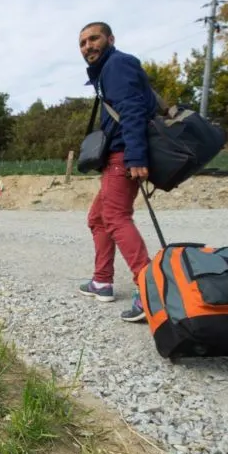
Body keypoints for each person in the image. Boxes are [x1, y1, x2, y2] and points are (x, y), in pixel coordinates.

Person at [75, 22, 158, 323]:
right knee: (98, 218)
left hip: (123, 154)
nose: (88, 46)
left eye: (93, 39)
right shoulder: (107, 71)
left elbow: (133, 108)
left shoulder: (118, 64)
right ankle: (102, 281)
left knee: (115, 218)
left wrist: (135, 155)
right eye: (82, 42)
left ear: (110, 39)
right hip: (119, 153)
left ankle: (151, 292)